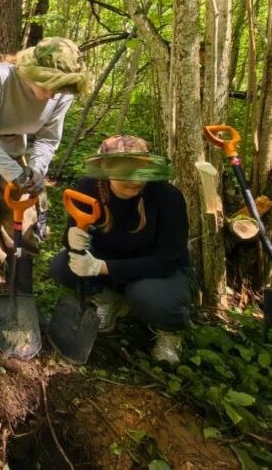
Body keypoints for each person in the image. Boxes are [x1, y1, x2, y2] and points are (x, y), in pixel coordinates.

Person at [0, 37, 90, 332]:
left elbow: (49, 138)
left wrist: (37, 169)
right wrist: (13, 173)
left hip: (15, 146)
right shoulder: (1, 76)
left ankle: (22, 299)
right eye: (46, 85)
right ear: (31, 71)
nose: (51, 93)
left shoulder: (62, 95)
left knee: (25, 219)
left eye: (58, 87)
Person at [48, 135, 193, 364]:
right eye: (124, 172)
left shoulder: (168, 197)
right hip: (110, 260)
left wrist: (101, 267)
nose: (133, 181)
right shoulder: (88, 187)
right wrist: (73, 239)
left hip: (155, 272)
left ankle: (169, 331)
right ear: (105, 168)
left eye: (139, 172)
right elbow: (73, 236)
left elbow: (167, 260)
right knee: (61, 265)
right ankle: (110, 300)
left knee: (152, 297)